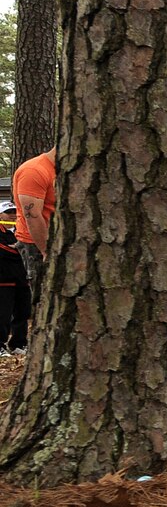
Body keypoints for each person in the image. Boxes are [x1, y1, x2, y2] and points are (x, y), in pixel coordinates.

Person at [9, 149, 53, 297]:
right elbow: (32, 216)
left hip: (58, 242)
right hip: (35, 245)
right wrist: (46, 250)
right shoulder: (34, 171)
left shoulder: (68, 170)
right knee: (40, 299)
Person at [0, 206, 27, 355]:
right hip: (3, 280)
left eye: (14, 213)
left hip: (22, 280)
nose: (12, 216)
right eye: (8, 212)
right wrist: (21, 250)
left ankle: (19, 344)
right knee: (3, 315)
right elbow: (6, 251)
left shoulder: (20, 231)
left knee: (23, 313)